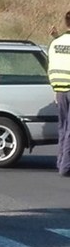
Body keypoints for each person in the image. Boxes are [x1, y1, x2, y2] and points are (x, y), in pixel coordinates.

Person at [47, 11, 70, 177]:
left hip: (59, 88)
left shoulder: (56, 43)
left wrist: (56, 36)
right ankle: (66, 166)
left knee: (63, 127)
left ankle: (60, 160)